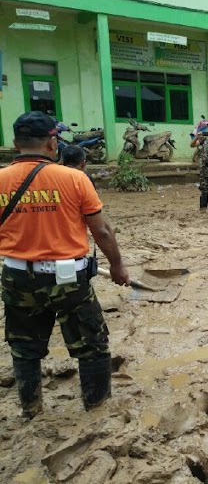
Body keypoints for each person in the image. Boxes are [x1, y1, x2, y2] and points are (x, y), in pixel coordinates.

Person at [1, 112, 130, 419]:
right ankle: (96, 409)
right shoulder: (74, 178)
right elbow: (101, 231)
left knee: (24, 349)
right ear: (52, 142)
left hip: (17, 277)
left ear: (16, 143)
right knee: (92, 346)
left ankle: (31, 410)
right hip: (68, 280)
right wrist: (117, 267)